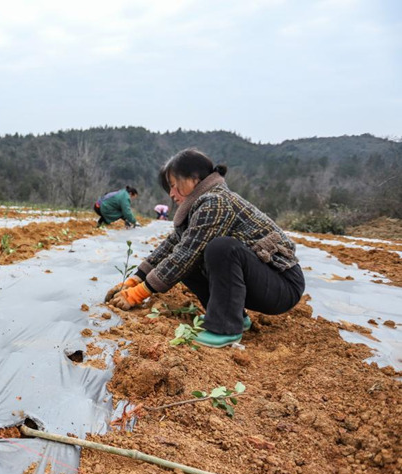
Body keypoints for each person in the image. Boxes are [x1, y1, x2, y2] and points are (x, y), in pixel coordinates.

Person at [105, 148, 304, 348]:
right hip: (261, 282)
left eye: (174, 185)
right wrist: (135, 279)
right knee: (188, 263)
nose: (171, 194)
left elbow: (186, 255)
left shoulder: (215, 202)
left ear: (194, 179)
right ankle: (235, 317)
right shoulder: (200, 204)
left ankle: (225, 328)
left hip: (282, 285)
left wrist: (138, 294)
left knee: (221, 249)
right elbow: (173, 245)